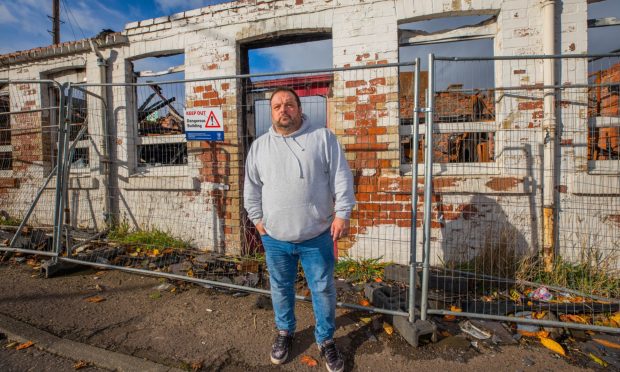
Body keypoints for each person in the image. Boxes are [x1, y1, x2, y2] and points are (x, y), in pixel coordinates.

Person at [244, 87, 355, 372]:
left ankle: (326, 339)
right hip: (275, 238)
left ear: (299, 108)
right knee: (280, 288)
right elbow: (252, 188)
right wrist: (257, 220)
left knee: (323, 289)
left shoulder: (322, 138)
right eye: (278, 105)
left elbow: (342, 177)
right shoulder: (259, 147)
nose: (284, 110)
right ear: (271, 112)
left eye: (289, 104)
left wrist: (342, 214)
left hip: (317, 235)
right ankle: (285, 332)